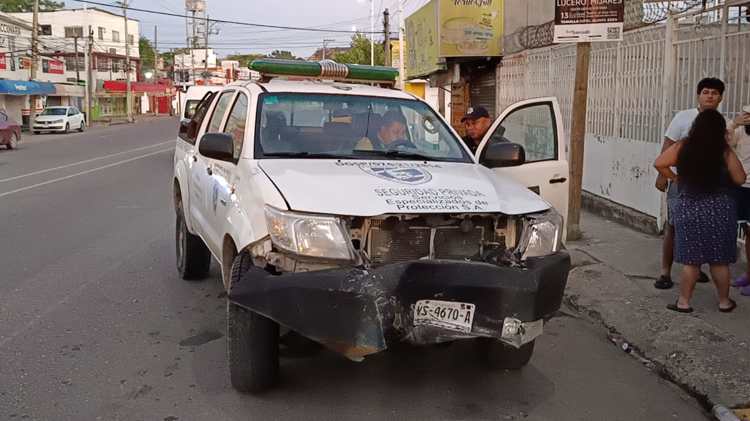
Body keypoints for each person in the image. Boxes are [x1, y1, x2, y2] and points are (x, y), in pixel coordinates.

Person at [654, 77, 745, 289]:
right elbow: (668, 145)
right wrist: (669, 177)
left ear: (721, 97)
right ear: (699, 95)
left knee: (700, 228)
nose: (710, 96)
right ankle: (665, 272)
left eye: (714, 93)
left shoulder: (722, 121)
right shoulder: (684, 117)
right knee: (673, 226)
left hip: (710, 189)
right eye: (706, 92)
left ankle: (696, 269)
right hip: (685, 185)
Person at [729, 106, 750, 296]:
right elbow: (722, 143)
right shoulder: (740, 130)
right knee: (747, 232)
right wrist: (734, 123)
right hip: (742, 187)